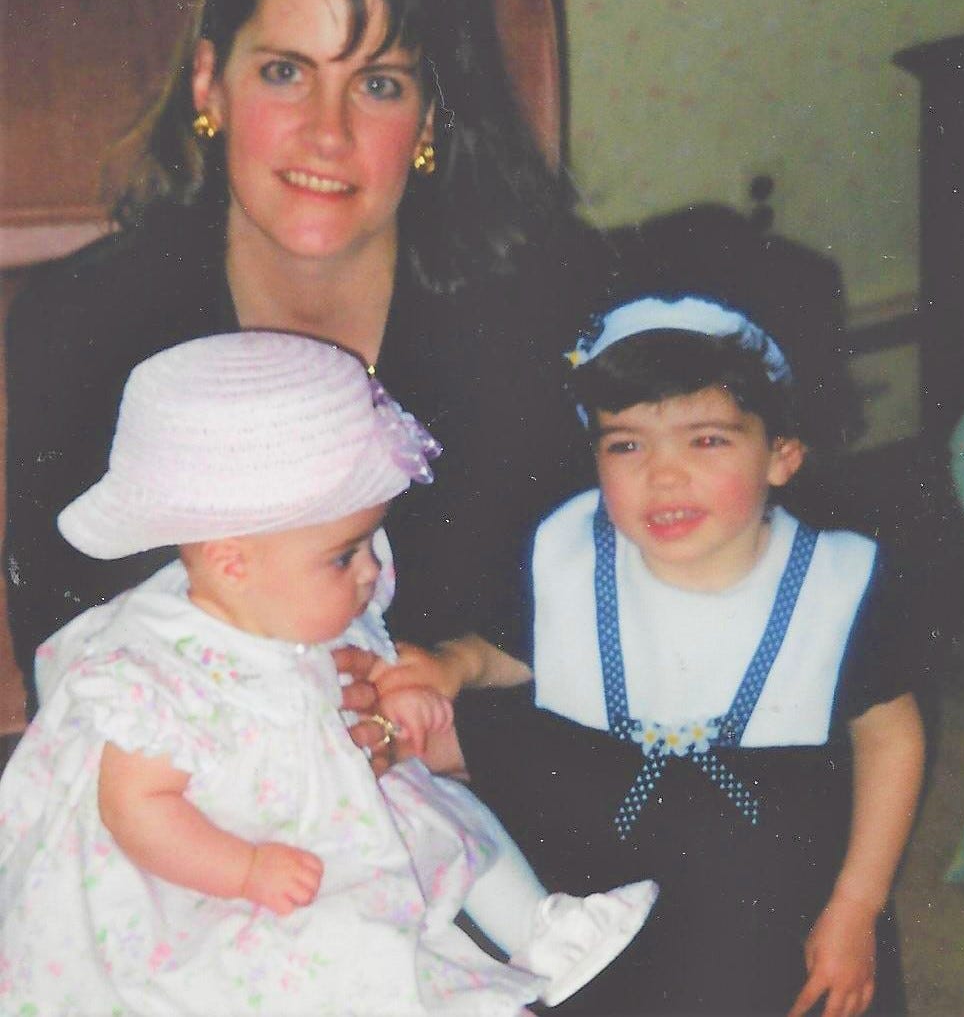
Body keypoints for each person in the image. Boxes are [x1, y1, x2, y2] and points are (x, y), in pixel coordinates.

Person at [4, 0, 601, 725]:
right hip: (191, 807)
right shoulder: (79, 324)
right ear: (211, 85)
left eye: (381, 84)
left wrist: (445, 733)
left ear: (431, 116)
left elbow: (595, 627)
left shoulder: (533, 309)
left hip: (471, 784)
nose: (328, 133)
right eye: (286, 73)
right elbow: (68, 651)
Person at [0, 331, 656, 1015]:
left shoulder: (298, 589)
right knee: (329, 954)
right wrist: (244, 869)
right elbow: (136, 808)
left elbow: (357, 677)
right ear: (232, 562)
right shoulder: (155, 668)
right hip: (227, 860)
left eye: (371, 540)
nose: (371, 568)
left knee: (458, 822)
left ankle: (542, 927)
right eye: (347, 554)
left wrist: (403, 697)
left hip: (340, 803)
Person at [452, 292, 926, 1016]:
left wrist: (857, 906)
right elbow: (512, 651)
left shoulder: (837, 584)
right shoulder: (568, 552)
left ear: (782, 457)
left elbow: (890, 739)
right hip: (604, 856)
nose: (663, 476)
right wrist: (454, 664)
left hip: (771, 875)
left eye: (706, 441)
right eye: (627, 445)